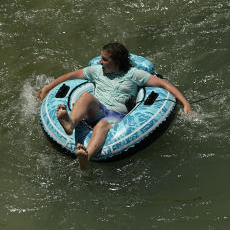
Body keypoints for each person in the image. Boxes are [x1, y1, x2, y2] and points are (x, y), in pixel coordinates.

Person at [36, 42, 192, 170]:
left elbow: (164, 85)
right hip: (96, 110)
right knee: (85, 96)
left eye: (104, 59)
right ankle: (70, 123)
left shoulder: (134, 74)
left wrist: (185, 103)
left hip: (115, 116)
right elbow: (69, 76)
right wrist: (46, 88)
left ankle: (86, 157)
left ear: (116, 62)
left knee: (103, 124)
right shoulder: (96, 71)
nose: (100, 62)